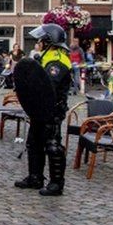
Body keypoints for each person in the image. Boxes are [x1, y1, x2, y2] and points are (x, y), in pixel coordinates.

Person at [15, 24, 70, 196]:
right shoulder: (45, 58)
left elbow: (48, 86)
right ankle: (35, 177)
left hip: (51, 111)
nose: (37, 43)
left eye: (40, 40)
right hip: (39, 109)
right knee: (34, 142)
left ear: (48, 42)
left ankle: (56, 183)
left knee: (52, 145)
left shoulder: (58, 61)